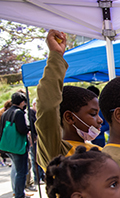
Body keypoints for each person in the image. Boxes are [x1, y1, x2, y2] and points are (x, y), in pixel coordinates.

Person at [36, 30, 103, 171]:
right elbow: (47, 107)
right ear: (69, 117)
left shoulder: (97, 150)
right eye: (92, 114)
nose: (100, 120)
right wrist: (56, 56)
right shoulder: (56, 152)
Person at [0, 92, 35, 198]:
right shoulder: (18, 113)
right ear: (22, 102)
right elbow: (21, 129)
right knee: (21, 172)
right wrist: (30, 128)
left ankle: (18, 192)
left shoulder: (6, 112)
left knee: (15, 170)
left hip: (8, 147)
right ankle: (20, 197)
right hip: (18, 147)